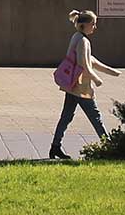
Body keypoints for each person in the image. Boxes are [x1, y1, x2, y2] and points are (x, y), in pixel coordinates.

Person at [49, 9, 120, 160]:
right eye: (93, 24)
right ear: (85, 25)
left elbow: (91, 60)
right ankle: (108, 146)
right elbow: (84, 65)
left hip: (72, 85)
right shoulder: (83, 41)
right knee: (96, 117)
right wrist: (97, 79)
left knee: (66, 117)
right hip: (81, 87)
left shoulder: (77, 37)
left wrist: (111, 71)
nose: (95, 27)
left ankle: (55, 147)